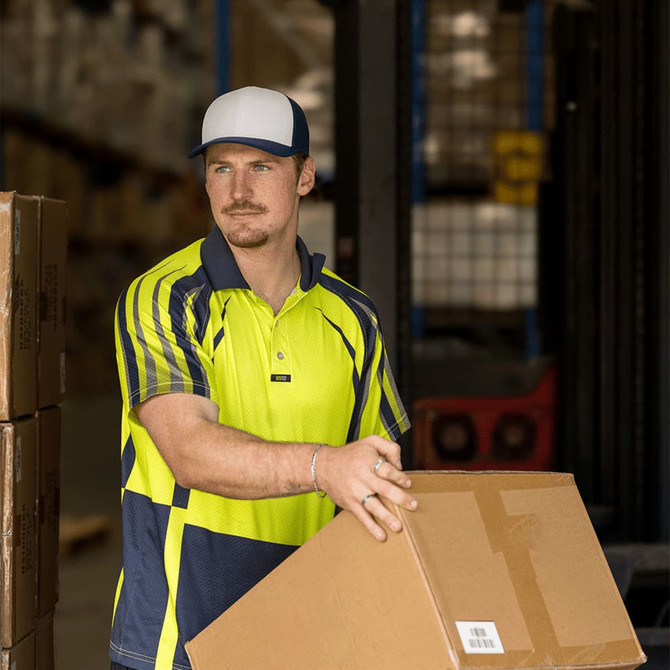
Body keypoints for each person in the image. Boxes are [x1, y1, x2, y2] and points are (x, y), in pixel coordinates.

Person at [109, 85, 416, 670]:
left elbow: (384, 475)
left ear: (304, 177)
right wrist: (325, 466)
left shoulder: (354, 318)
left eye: (261, 167)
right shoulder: (164, 298)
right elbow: (189, 452)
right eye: (220, 167)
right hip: (180, 640)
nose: (239, 191)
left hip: (310, 635)